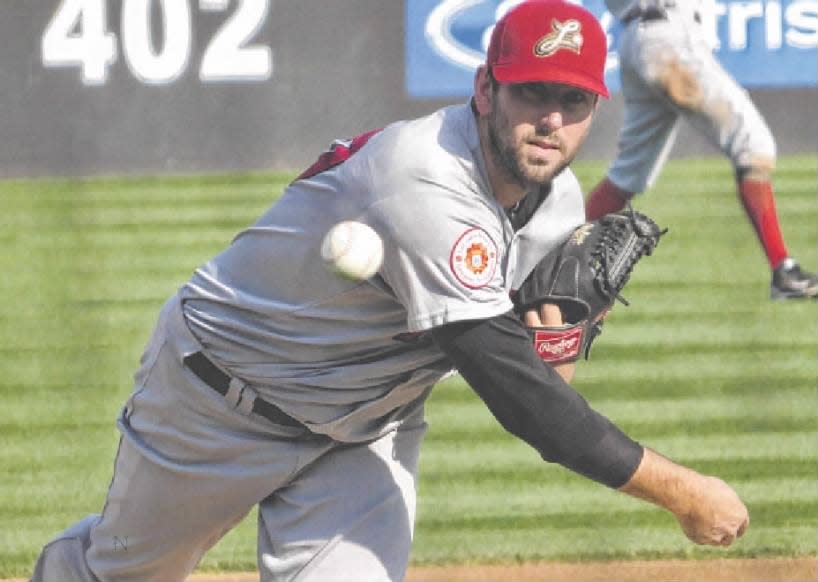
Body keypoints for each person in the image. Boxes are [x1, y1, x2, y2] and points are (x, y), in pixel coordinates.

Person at [30, 2, 749, 581]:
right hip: (220, 404)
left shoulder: (557, 201)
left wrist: (560, 322)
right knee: (121, 576)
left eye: (573, 99)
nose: (552, 120)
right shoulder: (423, 177)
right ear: (485, 88)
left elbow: (543, 375)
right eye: (533, 92)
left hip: (364, 430)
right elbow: (526, 404)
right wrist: (685, 493)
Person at [585, 0, 818, 300]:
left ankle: (556, 264)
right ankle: (783, 271)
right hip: (670, 36)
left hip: (639, 38)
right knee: (753, 147)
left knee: (627, 175)